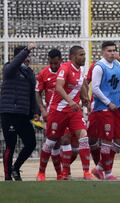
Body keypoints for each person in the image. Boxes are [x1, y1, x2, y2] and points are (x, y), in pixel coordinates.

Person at [37, 45, 93, 180]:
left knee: (84, 137)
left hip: (74, 112)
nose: (84, 57)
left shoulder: (81, 70)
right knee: (50, 142)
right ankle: (41, 172)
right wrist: (70, 101)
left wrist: (86, 100)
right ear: (72, 57)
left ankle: (86, 172)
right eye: (81, 55)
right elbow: (58, 87)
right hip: (59, 110)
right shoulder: (65, 68)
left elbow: (82, 86)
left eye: (84, 54)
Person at [0, 43, 37, 181]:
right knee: (10, 145)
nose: (28, 59)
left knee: (31, 143)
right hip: (9, 113)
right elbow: (15, 63)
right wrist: (27, 49)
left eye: (29, 56)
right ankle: (8, 176)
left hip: (23, 114)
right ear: (19, 56)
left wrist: (34, 111)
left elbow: (32, 94)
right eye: (26, 56)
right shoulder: (9, 68)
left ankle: (16, 168)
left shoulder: (29, 73)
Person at [90, 41, 120, 181]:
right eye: (109, 51)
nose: (112, 53)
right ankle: (108, 173)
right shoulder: (99, 67)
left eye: (114, 50)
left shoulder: (118, 64)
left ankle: (99, 168)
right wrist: (108, 102)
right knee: (107, 140)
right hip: (104, 108)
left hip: (117, 107)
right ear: (103, 52)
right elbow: (95, 89)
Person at [35, 48, 63, 180]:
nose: (53, 66)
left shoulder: (65, 71)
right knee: (53, 143)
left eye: (55, 64)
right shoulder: (43, 73)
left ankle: (64, 172)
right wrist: (42, 110)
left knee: (68, 141)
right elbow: (37, 93)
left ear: (61, 61)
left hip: (67, 111)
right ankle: (48, 173)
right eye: (50, 63)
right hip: (52, 113)